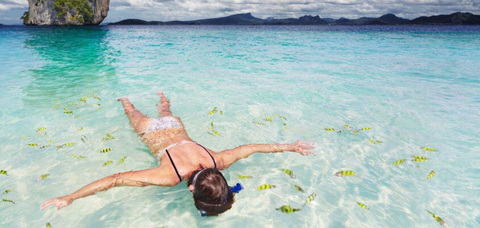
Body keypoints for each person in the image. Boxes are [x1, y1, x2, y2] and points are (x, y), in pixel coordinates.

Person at [41, 91, 315, 216]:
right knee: (133, 113)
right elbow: (116, 179)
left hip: (173, 127)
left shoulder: (218, 159)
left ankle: (154, 99)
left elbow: (250, 148)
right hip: (152, 132)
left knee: (164, 113)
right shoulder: (169, 175)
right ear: (191, 189)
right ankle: (127, 100)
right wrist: (71, 197)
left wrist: (289, 145)